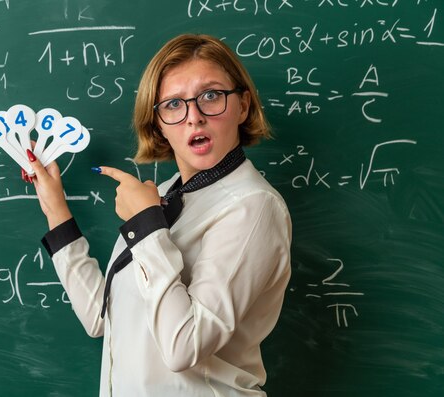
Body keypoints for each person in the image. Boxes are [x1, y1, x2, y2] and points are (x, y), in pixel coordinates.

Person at [27, 33, 292, 397]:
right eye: (173, 105)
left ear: (243, 106)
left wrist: (146, 227)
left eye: (211, 96)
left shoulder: (253, 206)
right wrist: (55, 207)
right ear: (158, 126)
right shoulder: (162, 196)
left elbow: (184, 345)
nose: (194, 118)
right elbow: (100, 317)